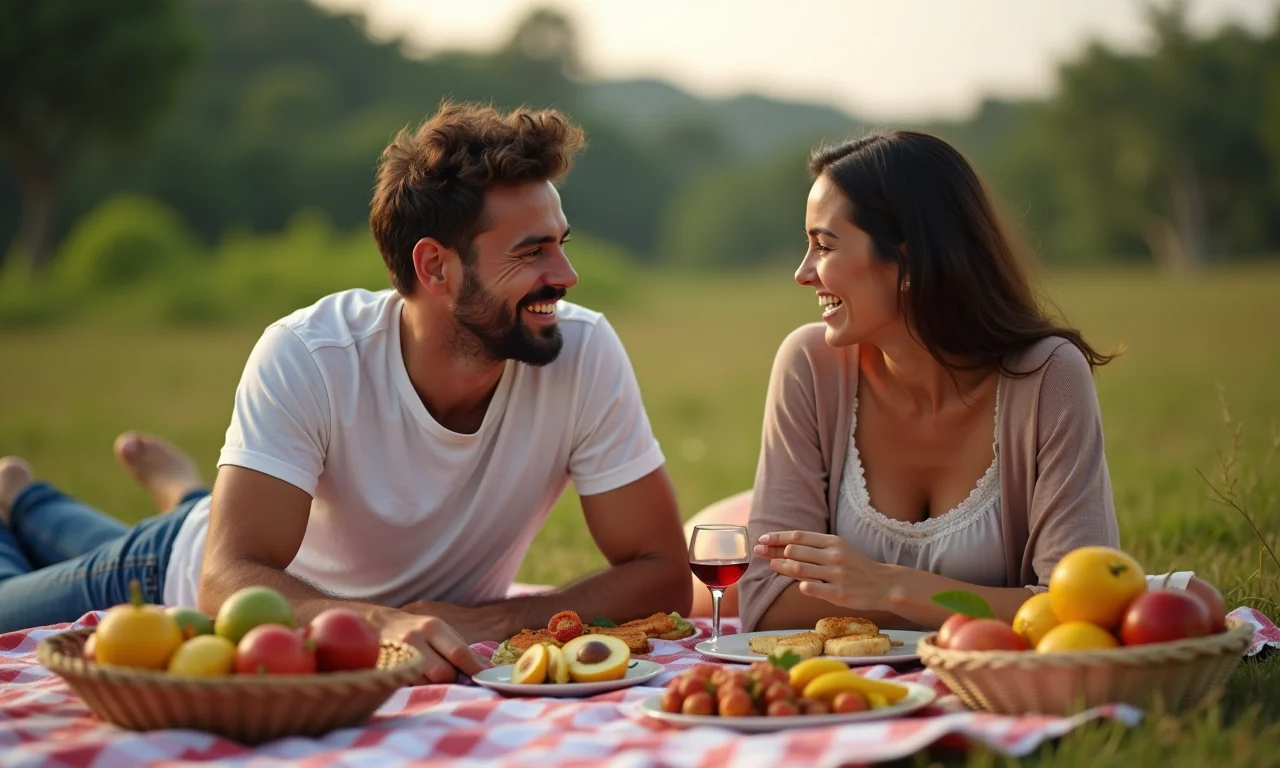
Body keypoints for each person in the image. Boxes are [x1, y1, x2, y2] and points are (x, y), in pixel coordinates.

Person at [0, 102, 693, 682]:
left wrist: (493, 620)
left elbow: (663, 573)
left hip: (266, 539)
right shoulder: (310, 355)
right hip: (172, 580)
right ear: (436, 267)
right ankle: (28, 498)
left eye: (561, 243)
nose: (567, 275)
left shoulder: (581, 350)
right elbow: (228, 576)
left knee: (194, 513)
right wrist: (382, 621)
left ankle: (122, 492)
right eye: (532, 251)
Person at [731, 130, 1213, 632]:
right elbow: (766, 603)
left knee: (1196, 598)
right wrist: (987, 606)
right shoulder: (810, 365)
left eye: (824, 246)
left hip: (979, 679)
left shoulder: (1048, 377)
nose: (802, 273)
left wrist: (886, 586)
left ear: (910, 258)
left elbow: (1080, 612)